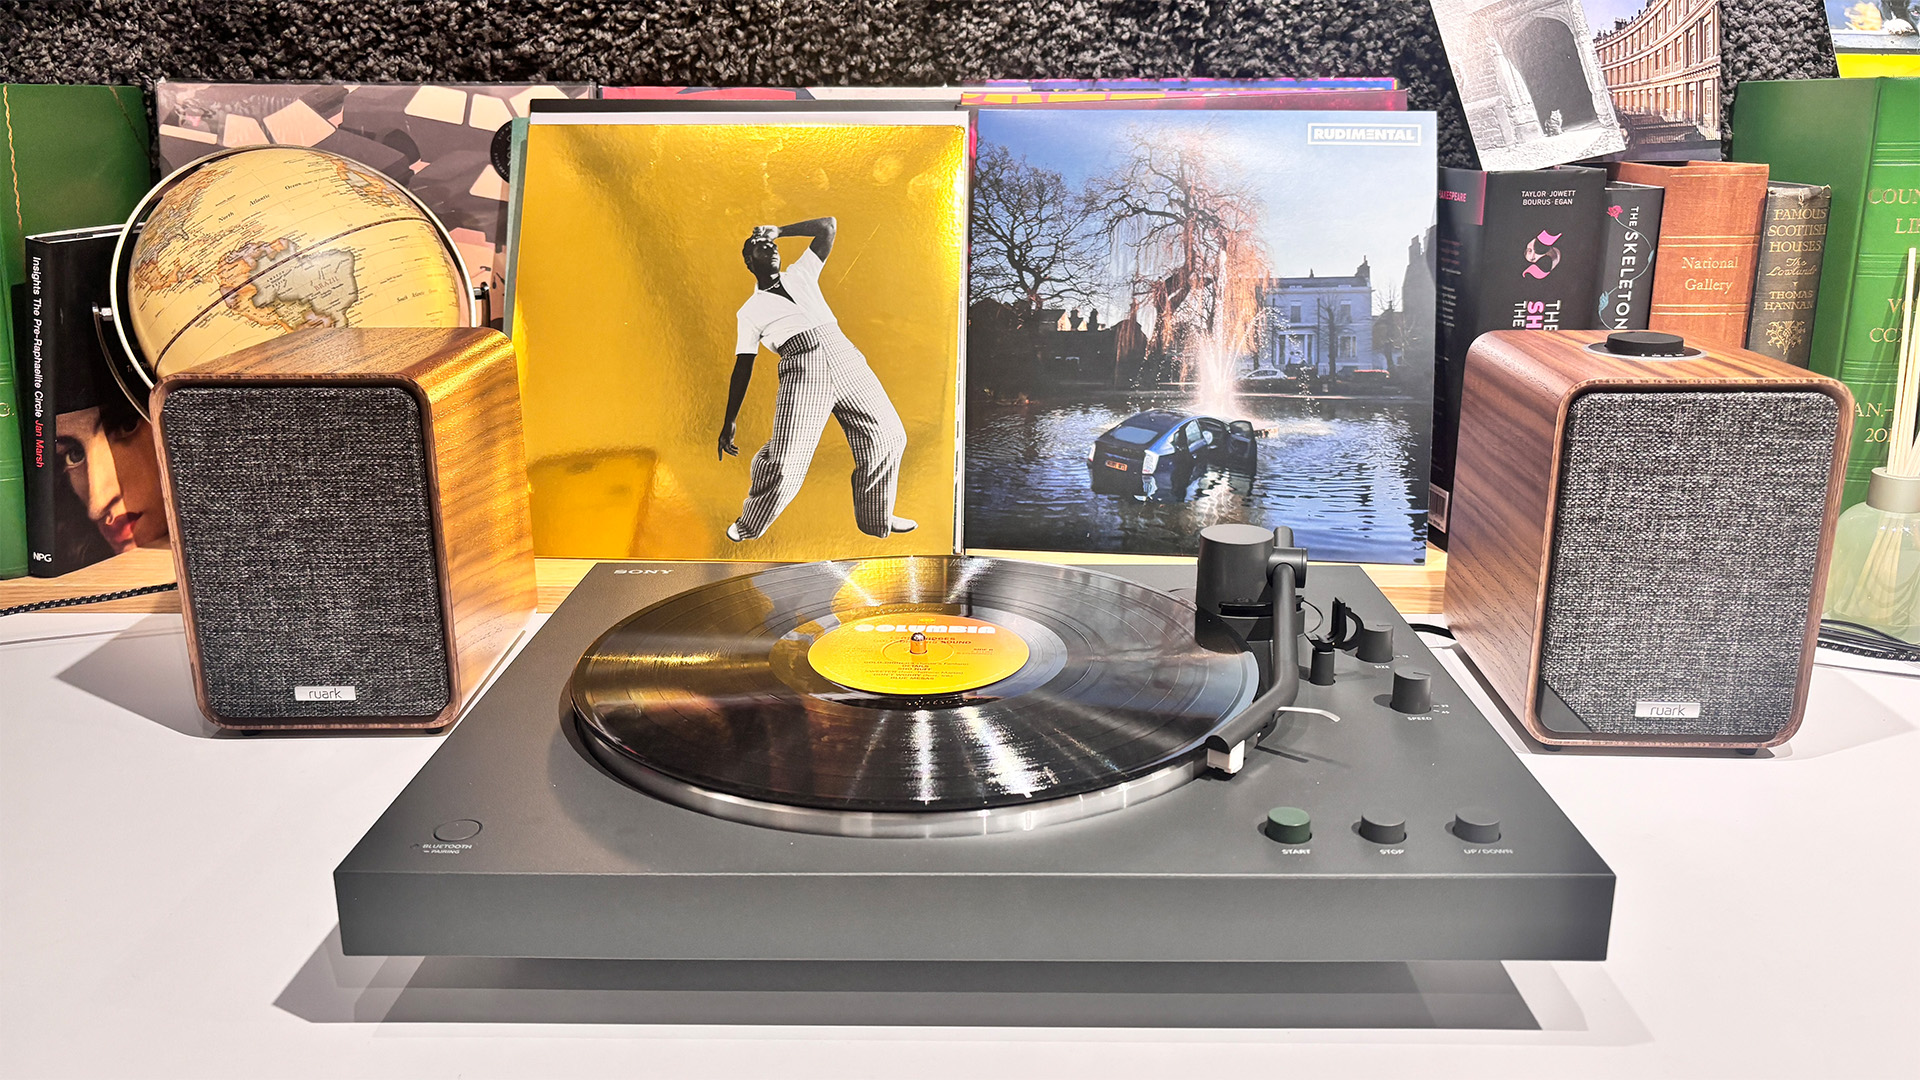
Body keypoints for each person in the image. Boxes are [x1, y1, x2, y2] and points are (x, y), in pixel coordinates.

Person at [717, 216, 914, 542]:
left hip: (845, 354)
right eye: (763, 248)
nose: (773, 250)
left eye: (774, 246)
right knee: (784, 461)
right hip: (803, 368)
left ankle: (876, 518)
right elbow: (744, 365)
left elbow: (828, 226)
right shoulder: (749, 311)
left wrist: (779, 230)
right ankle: (749, 524)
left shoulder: (801, 274)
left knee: (889, 437)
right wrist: (730, 420)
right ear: (749, 261)